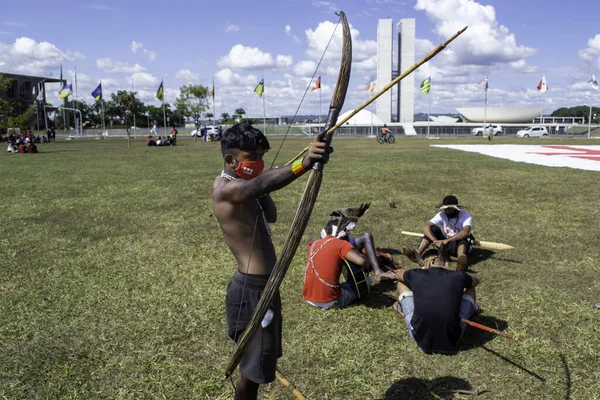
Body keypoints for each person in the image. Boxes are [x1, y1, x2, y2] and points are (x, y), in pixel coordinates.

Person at [213, 122, 332, 399]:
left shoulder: (245, 187)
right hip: (253, 289)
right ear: (230, 159)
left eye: (260, 156)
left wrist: (261, 186)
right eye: (250, 157)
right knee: (253, 372)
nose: (257, 162)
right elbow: (263, 182)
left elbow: (271, 213)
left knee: (254, 364)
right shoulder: (226, 189)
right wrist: (303, 164)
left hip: (262, 287)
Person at [302, 204, 396, 310]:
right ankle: (378, 273)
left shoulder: (313, 244)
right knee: (367, 281)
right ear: (342, 234)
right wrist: (365, 260)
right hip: (331, 301)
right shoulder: (340, 244)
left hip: (309, 298)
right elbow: (361, 261)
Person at [392, 250, 480, 354]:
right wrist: (461, 276)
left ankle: (401, 307)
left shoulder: (415, 274)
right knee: (470, 289)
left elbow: (397, 275)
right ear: (446, 264)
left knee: (401, 283)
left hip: (420, 338)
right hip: (452, 340)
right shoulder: (458, 276)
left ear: (426, 264)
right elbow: (476, 281)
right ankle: (470, 309)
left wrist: (420, 271)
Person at [403, 195, 473, 271]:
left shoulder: (465, 216)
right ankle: (417, 254)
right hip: (445, 245)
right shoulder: (442, 215)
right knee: (433, 229)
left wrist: (446, 241)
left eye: (449, 209)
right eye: (445, 209)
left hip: (458, 247)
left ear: (455, 209)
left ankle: (460, 262)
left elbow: (465, 232)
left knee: (462, 238)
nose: (447, 211)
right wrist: (434, 241)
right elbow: (426, 226)